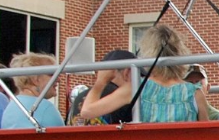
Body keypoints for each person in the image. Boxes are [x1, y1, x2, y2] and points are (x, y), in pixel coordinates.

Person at [80, 26, 211, 123]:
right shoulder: (195, 93)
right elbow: (205, 135)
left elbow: (87, 112)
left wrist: (100, 82)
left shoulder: (135, 88)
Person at [0, 53, 65, 128]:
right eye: (52, 74)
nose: (58, 79)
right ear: (35, 79)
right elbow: (65, 138)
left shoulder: (11, 107)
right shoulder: (45, 108)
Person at [74, 49, 137, 125]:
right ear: (127, 72)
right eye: (136, 73)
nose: (137, 78)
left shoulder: (79, 96)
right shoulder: (124, 95)